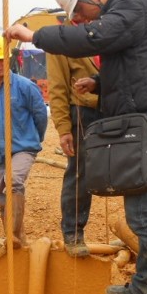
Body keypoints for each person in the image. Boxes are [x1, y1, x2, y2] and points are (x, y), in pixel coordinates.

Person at [5, 0, 147, 294]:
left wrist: (35, 35)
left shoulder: (132, 5)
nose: (77, 19)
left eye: (78, 11)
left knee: (144, 214)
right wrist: (98, 82)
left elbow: (93, 37)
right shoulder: (122, 14)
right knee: (141, 210)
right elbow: (135, 69)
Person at [0, 33, 48, 248]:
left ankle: (14, 237)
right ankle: (19, 242)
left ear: (7, 59)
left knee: (14, 182)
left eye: (0, 59)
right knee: (1, 197)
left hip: (23, 147)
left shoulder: (25, 87)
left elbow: (41, 117)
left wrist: (34, 139)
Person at [46, 26, 100, 258]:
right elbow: (57, 88)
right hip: (83, 113)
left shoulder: (108, 28)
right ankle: (73, 231)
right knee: (80, 173)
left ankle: (138, 228)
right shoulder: (61, 39)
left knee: (126, 166)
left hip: (115, 108)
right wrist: (64, 129)